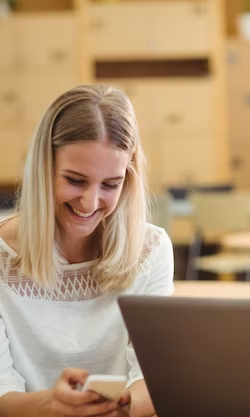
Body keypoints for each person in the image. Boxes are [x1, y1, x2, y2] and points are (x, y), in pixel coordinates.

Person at [0, 85, 174, 416]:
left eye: (111, 184)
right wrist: (52, 405)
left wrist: (113, 410)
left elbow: (152, 377)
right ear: (43, 168)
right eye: (76, 180)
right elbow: (1, 392)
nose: (90, 203)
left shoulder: (151, 249)